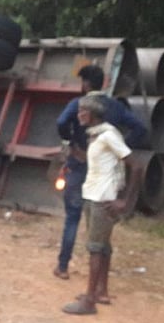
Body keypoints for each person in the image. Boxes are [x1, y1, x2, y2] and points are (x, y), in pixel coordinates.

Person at [53, 65, 146, 280]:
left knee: (73, 218)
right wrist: (119, 148)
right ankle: (99, 282)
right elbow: (140, 129)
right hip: (104, 173)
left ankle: (63, 267)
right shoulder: (115, 107)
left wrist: (69, 143)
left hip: (79, 165)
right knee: (102, 224)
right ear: (104, 82)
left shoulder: (79, 105)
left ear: (85, 84)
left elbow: (61, 122)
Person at [62, 95, 140, 315]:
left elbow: (137, 167)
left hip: (102, 199)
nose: (79, 115)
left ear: (93, 114)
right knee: (103, 246)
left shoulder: (108, 136)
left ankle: (89, 301)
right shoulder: (96, 136)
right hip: (95, 194)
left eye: (82, 112)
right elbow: (102, 163)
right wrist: (76, 154)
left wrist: (125, 201)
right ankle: (100, 292)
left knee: (95, 248)